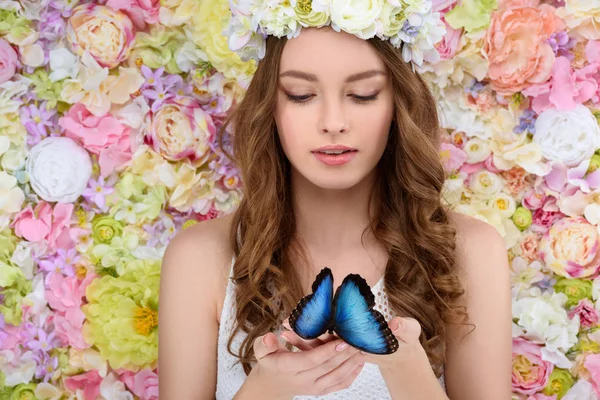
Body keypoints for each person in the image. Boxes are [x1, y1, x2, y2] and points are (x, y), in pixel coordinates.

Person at [158, 3, 512, 399]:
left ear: (398, 104)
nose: (333, 121)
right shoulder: (199, 259)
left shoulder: (470, 252)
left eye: (362, 95)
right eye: (302, 94)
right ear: (270, 107)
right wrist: (264, 391)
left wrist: (408, 373)